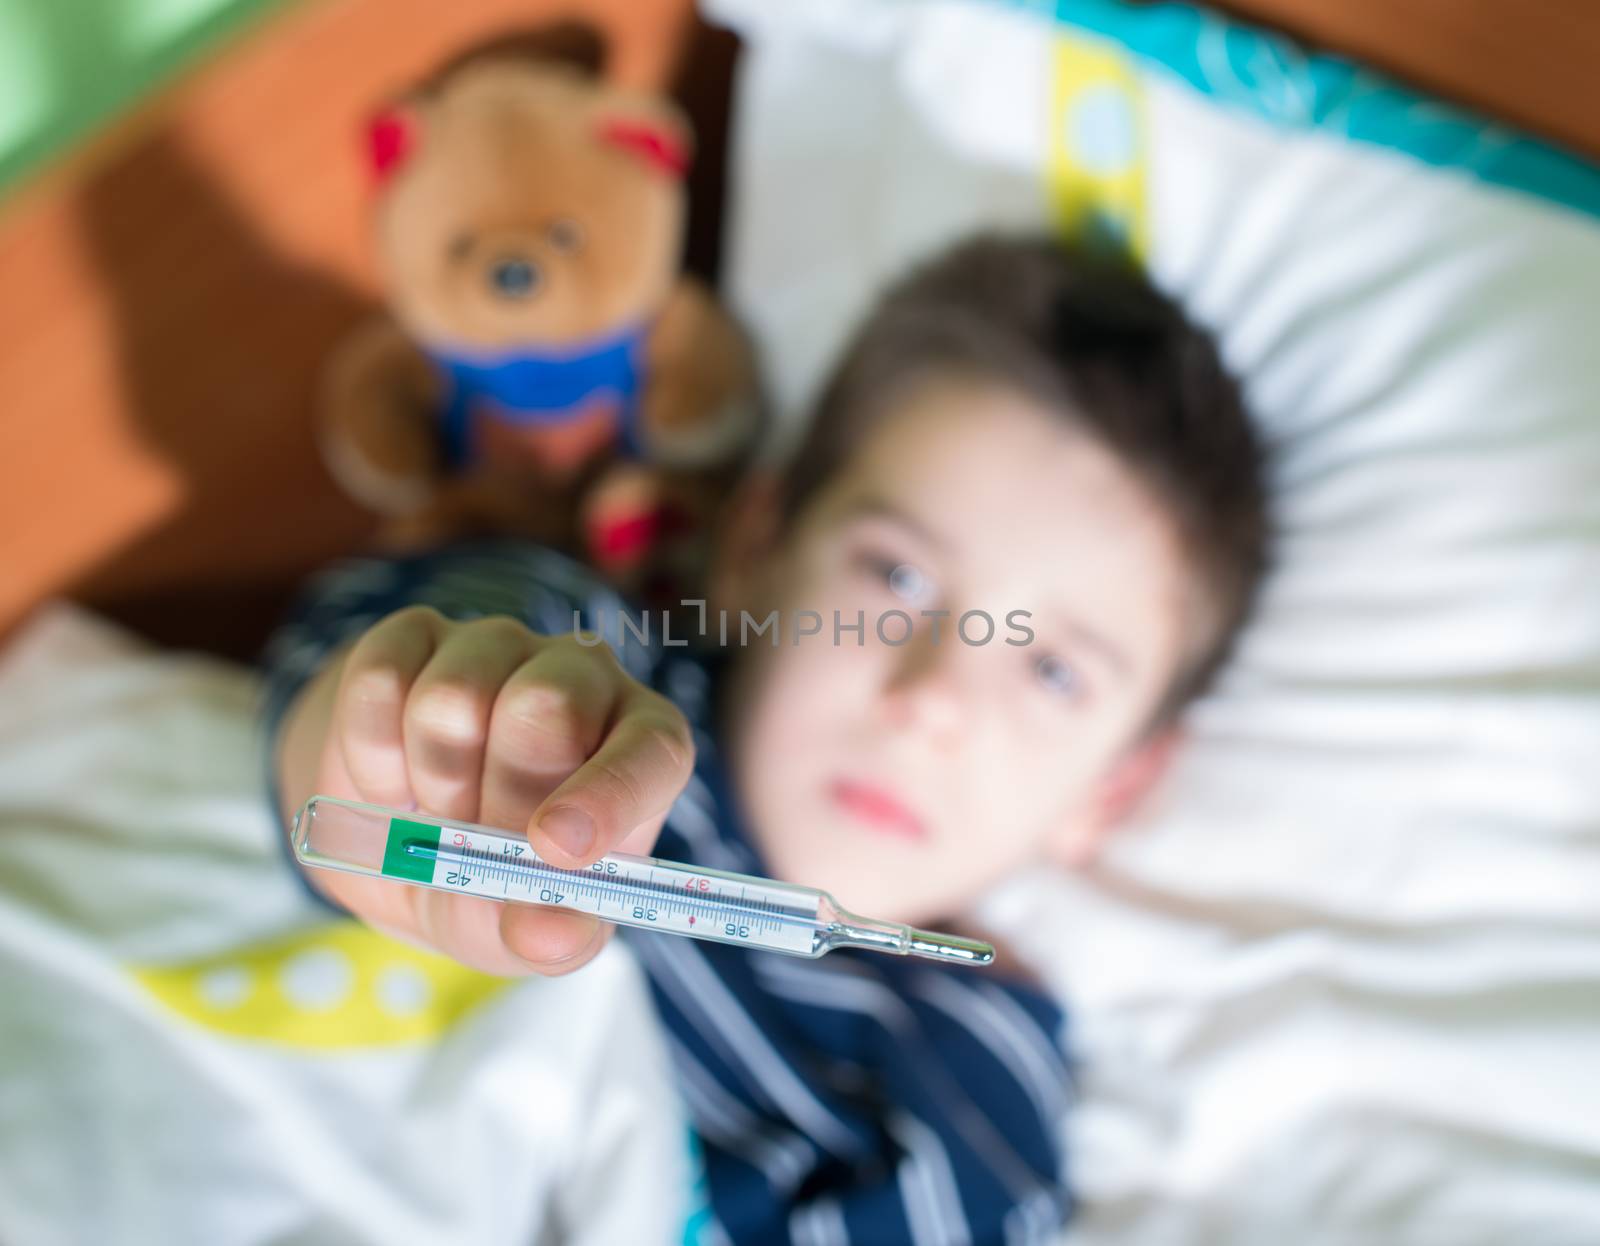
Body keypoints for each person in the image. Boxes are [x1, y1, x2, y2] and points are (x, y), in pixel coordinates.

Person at [261, 232, 1269, 1245]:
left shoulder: (972, 1085)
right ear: (754, 549)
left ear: (1112, 788)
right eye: (897, 578)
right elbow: (377, 680)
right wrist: (400, 749)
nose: (932, 697)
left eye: (1052, 671)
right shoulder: (586, 676)